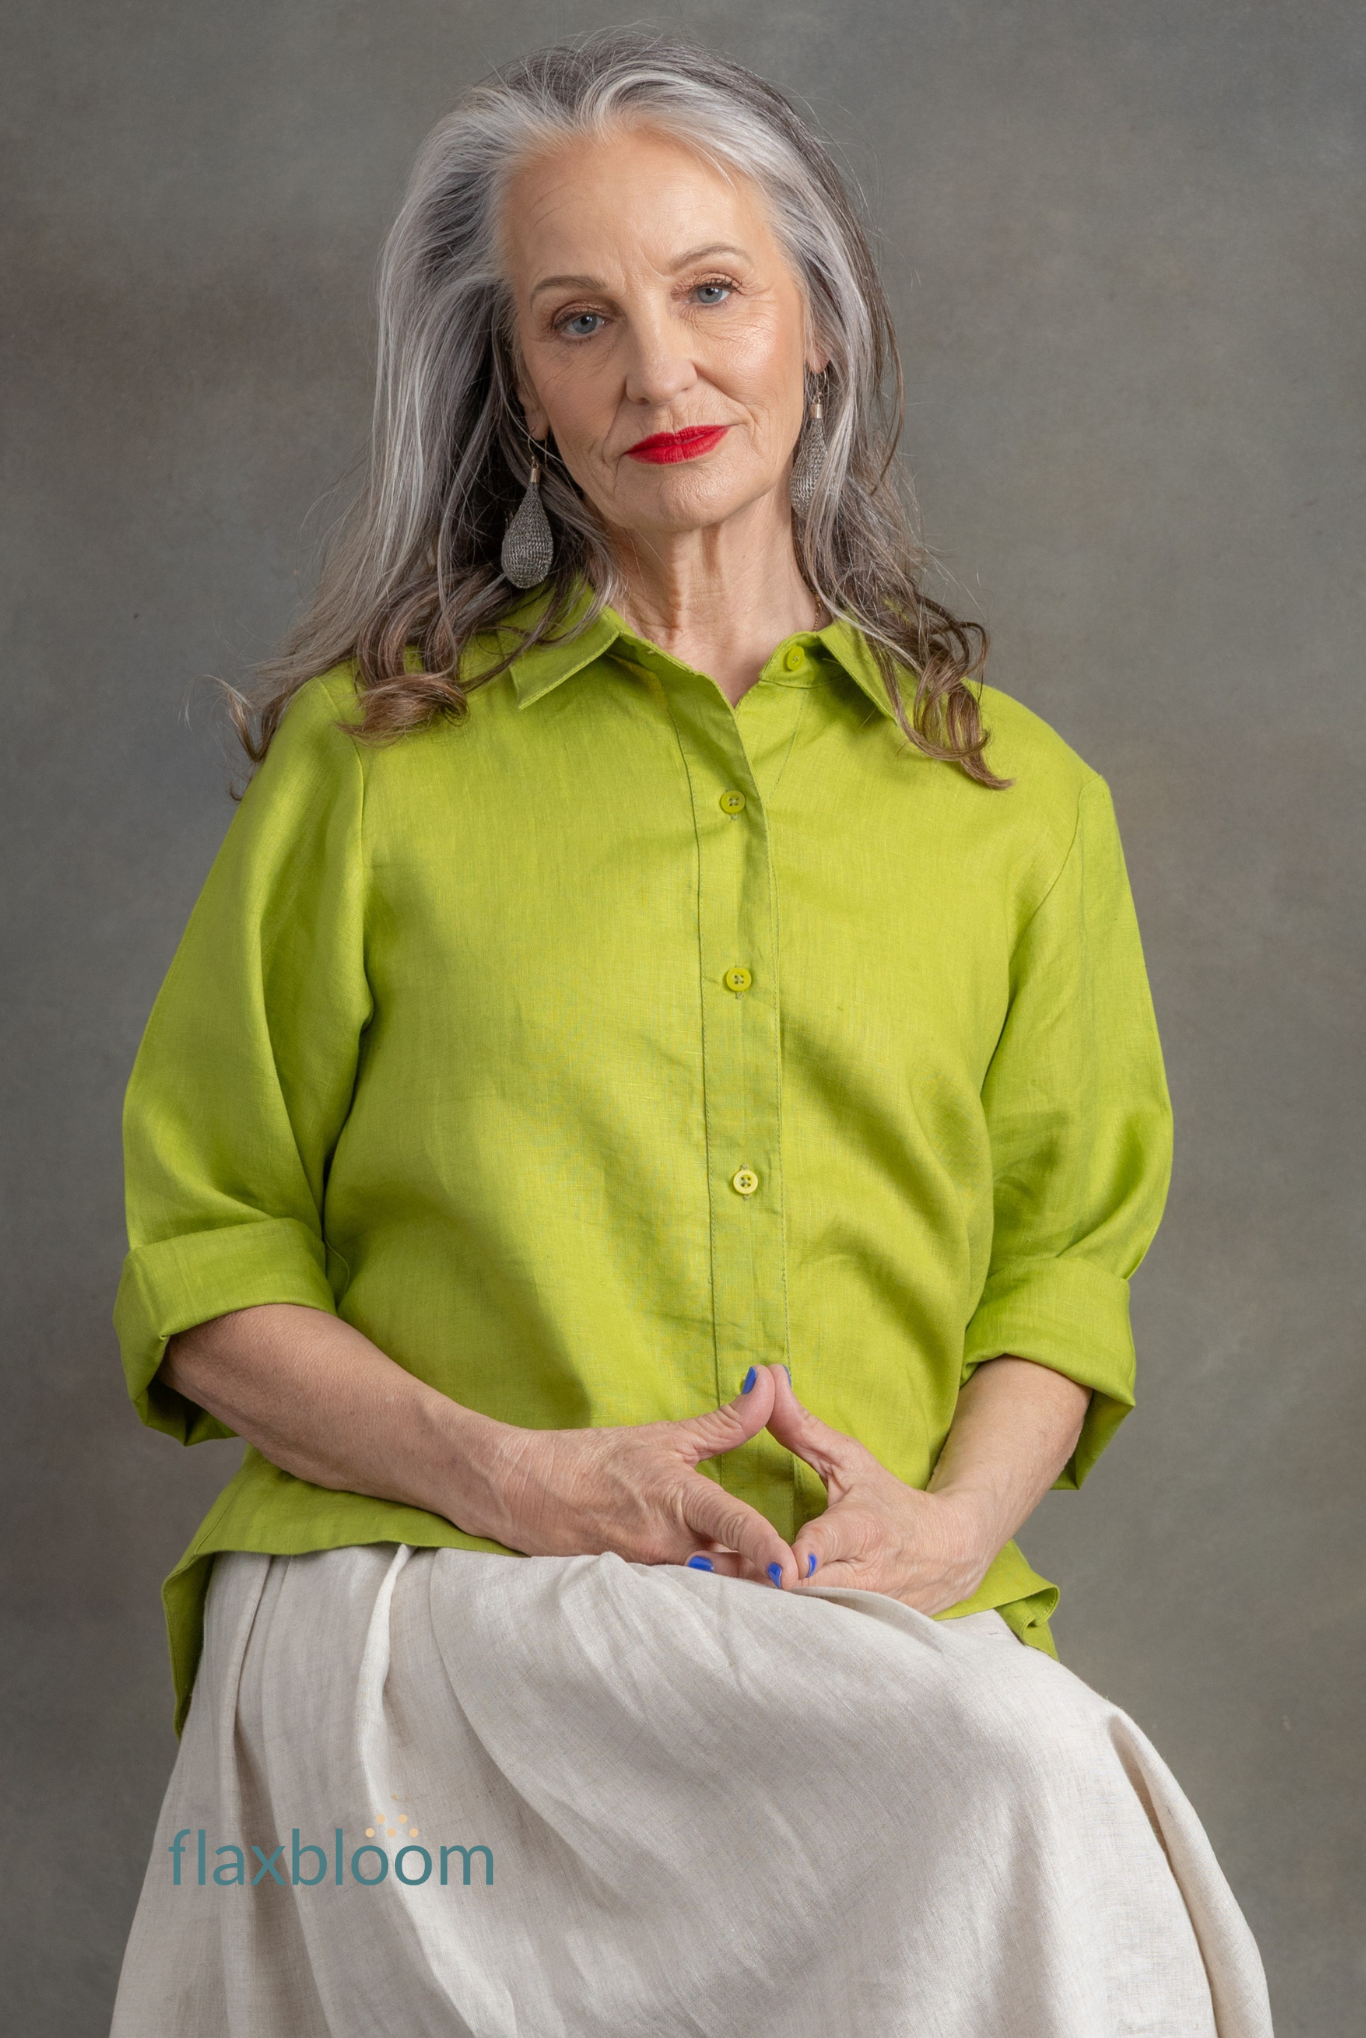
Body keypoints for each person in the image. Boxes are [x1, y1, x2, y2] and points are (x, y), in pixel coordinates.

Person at [109, 31, 1273, 2038]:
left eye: (709, 290)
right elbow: (206, 1268)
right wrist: (512, 1473)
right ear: (520, 397)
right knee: (1014, 1786)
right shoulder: (365, 772)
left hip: (843, 1631)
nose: (657, 374)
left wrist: (948, 1524)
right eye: (580, 322)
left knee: (1016, 1775)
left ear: (818, 325)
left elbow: (1056, 1272)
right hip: (430, 1617)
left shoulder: (1022, 809)